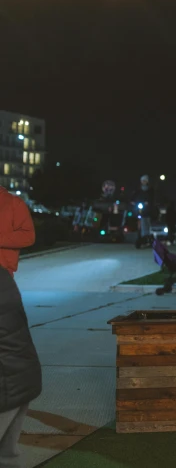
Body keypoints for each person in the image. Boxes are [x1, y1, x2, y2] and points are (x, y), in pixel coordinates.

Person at [0, 186, 42, 467]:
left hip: (4, 276)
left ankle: (8, 452)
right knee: (18, 372)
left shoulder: (12, 203)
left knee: (19, 372)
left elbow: (28, 236)